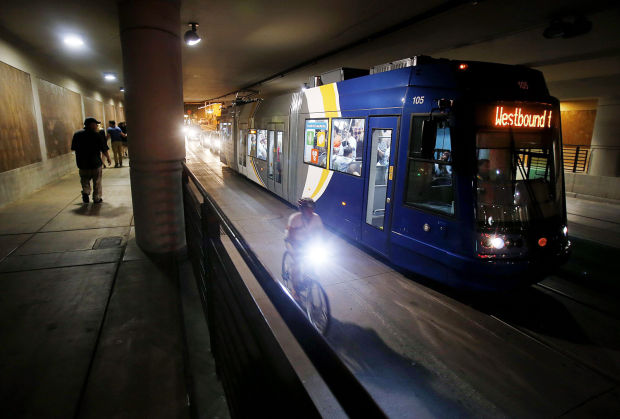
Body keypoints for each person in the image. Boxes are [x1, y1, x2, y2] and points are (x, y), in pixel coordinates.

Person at [284, 197, 324, 300]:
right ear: (301, 210)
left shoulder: (316, 218)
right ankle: (295, 289)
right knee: (297, 264)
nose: (310, 211)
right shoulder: (295, 218)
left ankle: (307, 278)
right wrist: (296, 251)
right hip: (292, 241)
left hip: (306, 243)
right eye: (307, 209)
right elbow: (290, 237)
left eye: (312, 209)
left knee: (312, 262)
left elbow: (322, 233)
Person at [71, 117, 111, 204]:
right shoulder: (97, 135)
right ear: (91, 125)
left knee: (84, 179)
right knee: (97, 181)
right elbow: (104, 148)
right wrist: (108, 157)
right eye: (95, 124)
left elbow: (73, 148)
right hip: (95, 163)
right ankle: (96, 198)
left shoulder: (77, 134)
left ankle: (86, 191)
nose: (97, 125)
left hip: (82, 163)